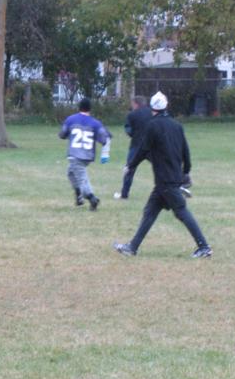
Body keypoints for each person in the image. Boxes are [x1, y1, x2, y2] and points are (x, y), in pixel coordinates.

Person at [113, 92, 212, 258]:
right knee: (150, 212)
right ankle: (132, 247)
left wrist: (130, 166)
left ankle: (204, 246)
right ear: (166, 106)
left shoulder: (152, 126)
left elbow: (143, 150)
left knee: (181, 211)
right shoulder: (177, 126)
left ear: (153, 108)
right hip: (170, 178)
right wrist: (186, 172)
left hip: (165, 180)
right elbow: (185, 152)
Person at [59, 97, 111, 211]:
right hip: (88, 155)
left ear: (79, 107)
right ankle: (79, 195)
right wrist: (105, 153)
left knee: (81, 178)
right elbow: (104, 138)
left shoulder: (71, 119)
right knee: (71, 173)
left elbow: (62, 134)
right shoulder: (95, 123)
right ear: (90, 109)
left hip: (75, 154)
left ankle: (92, 198)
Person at [114, 96, 153, 200]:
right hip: (151, 146)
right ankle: (176, 186)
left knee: (130, 169)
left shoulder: (132, 115)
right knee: (162, 166)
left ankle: (124, 194)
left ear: (136, 104)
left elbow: (128, 129)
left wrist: (133, 134)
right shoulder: (152, 113)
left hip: (136, 146)